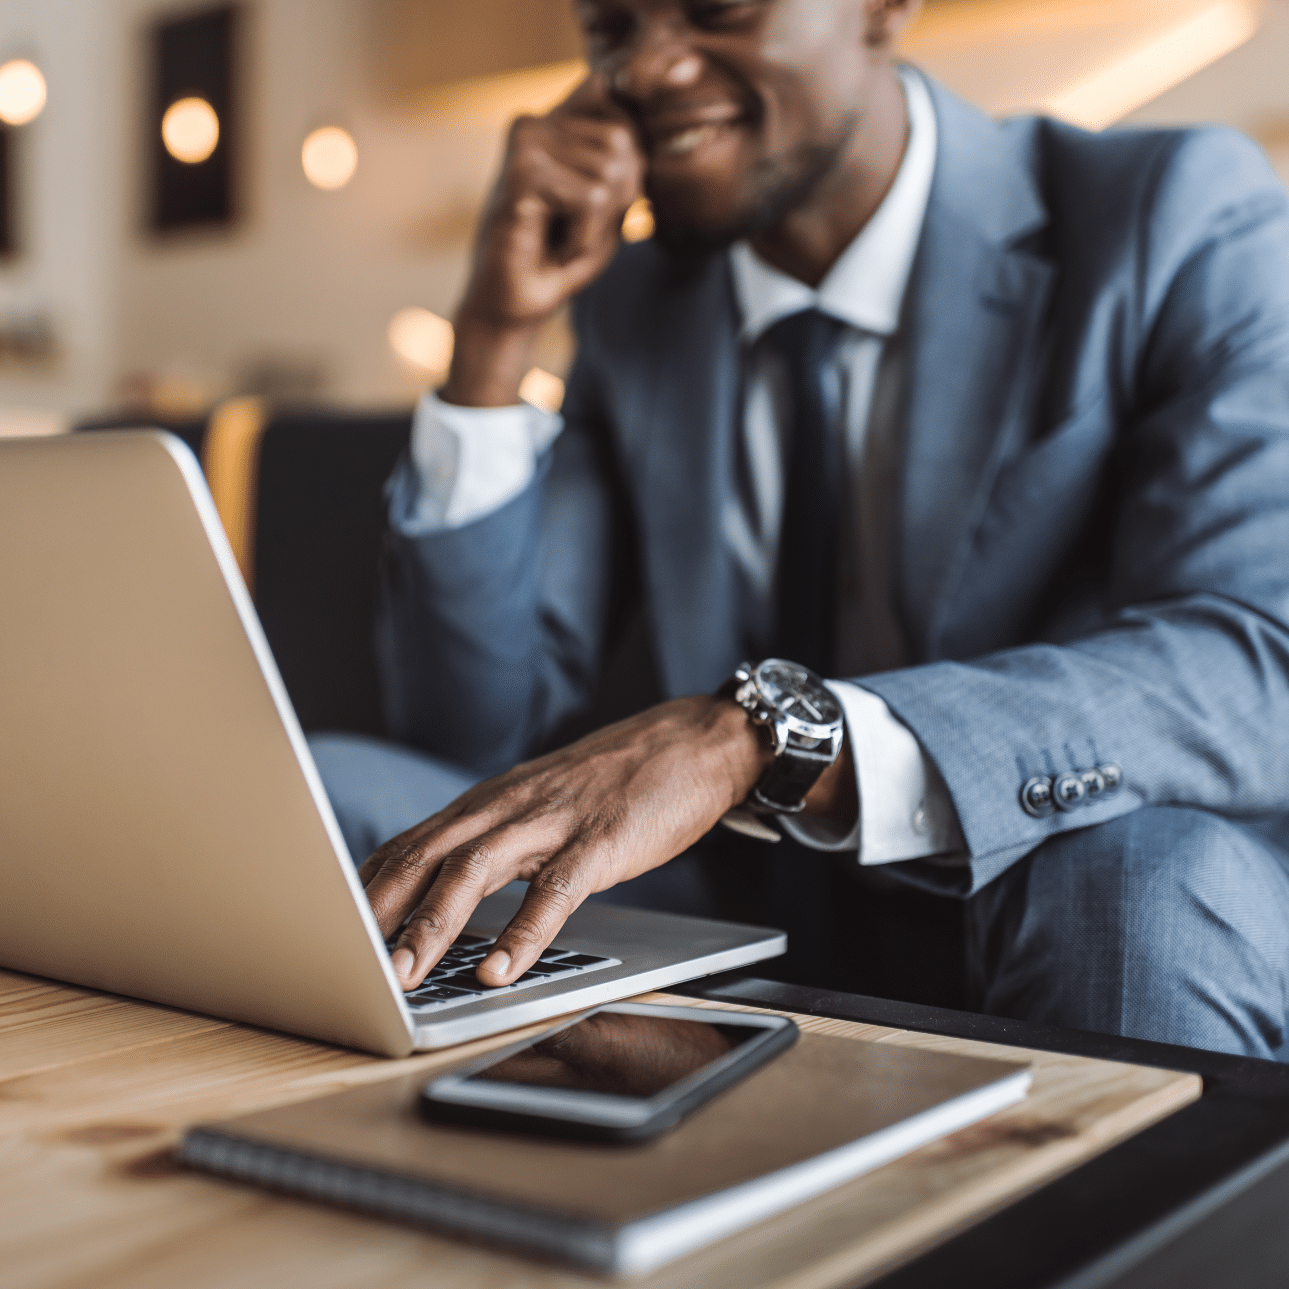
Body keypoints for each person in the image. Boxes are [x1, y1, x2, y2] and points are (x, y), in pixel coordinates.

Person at [312, 0, 1289, 1058]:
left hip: (1040, 883)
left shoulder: (1175, 211)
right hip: (737, 893)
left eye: (715, 9)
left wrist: (765, 738)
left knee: (1138, 884)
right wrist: (493, 342)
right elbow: (468, 730)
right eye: (609, 25)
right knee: (332, 798)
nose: (645, 67)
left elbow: (1254, 661)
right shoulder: (635, 304)